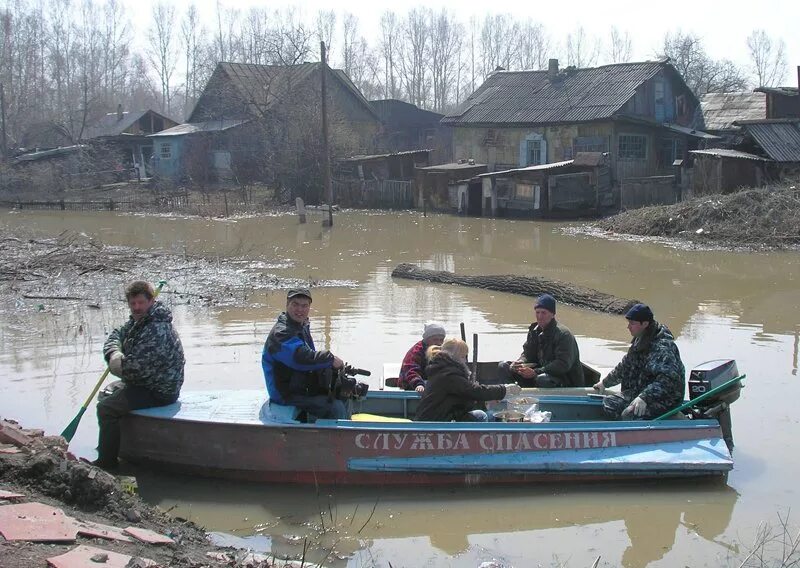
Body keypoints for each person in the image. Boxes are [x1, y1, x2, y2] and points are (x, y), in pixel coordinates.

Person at [96, 280, 185, 469]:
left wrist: (117, 364)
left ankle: (107, 463)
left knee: (106, 409)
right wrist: (113, 352)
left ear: (151, 301)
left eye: (141, 303)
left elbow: (134, 369)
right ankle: (116, 447)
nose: (137, 308)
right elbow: (117, 333)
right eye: (133, 303)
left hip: (160, 389)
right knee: (107, 392)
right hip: (144, 382)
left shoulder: (156, 329)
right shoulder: (140, 321)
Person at [262, 288, 348, 420]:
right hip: (285, 393)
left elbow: (310, 354)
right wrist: (330, 358)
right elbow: (301, 359)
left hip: (300, 386)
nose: (299, 310)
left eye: (304, 306)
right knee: (336, 407)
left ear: (309, 308)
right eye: (295, 304)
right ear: (287, 305)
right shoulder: (281, 334)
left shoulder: (301, 325)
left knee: (343, 393)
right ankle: (339, 437)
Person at [593, 303, 685, 420]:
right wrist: (605, 383)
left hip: (664, 399)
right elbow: (625, 366)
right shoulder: (640, 340)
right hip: (641, 392)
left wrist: (644, 397)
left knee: (629, 414)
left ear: (645, 324)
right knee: (610, 404)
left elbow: (668, 380)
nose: (628, 327)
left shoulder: (663, 347)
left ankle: (634, 434)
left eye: (632, 323)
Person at [415, 338, 521, 422]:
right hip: (439, 421)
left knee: (487, 413)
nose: (465, 360)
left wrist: (484, 403)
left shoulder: (441, 369)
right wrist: (504, 390)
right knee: (482, 416)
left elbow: (463, 397)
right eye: (463, 356)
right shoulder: (449, 375)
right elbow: (474, 391)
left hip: (439, 416)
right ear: (455, 356)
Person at [496, 294, 584, 388]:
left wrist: (536, 372)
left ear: (552, 314)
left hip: (564, 380)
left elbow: (562, 364)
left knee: (542, 379)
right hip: (540, 372)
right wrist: (520, 362)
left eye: (543, 313)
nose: (540, 316)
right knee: (503, 366)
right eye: (537, 312)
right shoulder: (534, 331)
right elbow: (528, 354)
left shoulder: (564, 334)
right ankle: (512, 393)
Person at [398, 322, 446, 392]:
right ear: (427, 339)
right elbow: (411, 370)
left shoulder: (442, 350)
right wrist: (418, 384)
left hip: (429, 383)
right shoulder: (416, 351)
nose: (439, 343)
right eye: (435, 339)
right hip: (411, 385)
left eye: (441, 340)